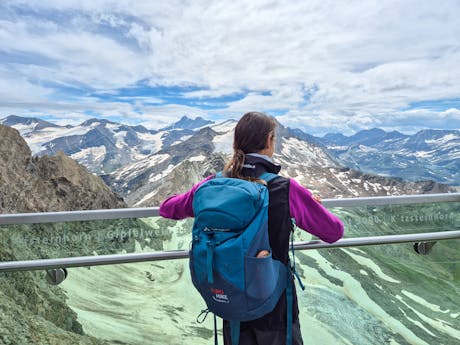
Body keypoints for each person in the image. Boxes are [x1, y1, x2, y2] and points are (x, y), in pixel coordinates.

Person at [160, 111, 344, 345]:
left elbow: (168, 209)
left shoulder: (212, 184)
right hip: (273, 302)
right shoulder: (285, 188)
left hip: (231, 296)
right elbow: (333, 231)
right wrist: (306, 199)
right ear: (269, 140)